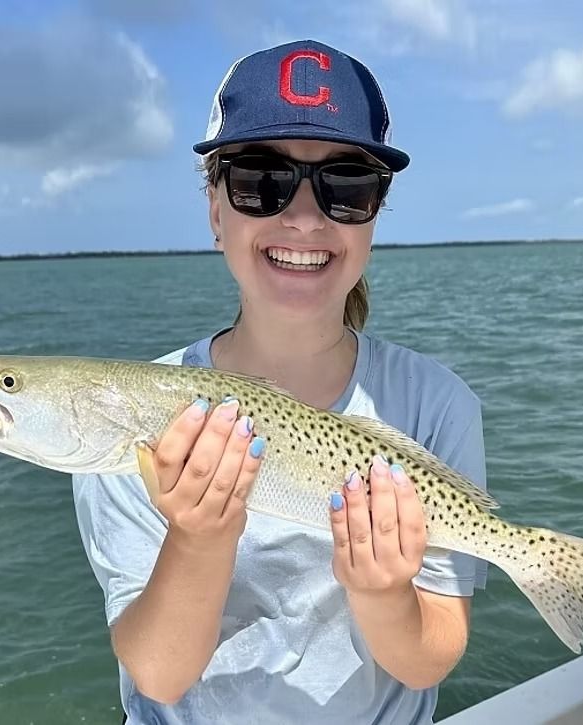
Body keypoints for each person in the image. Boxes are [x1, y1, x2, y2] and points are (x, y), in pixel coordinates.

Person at [73, 38, 487, 725]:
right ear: (214, 209)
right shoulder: (131, 410)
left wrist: (384, 593)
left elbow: (428, 659)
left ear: (376, 215)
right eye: (259, 182)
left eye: (346, 186)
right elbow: (158, 674)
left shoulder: (437, 404)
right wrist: (198, 537)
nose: (302, 216)